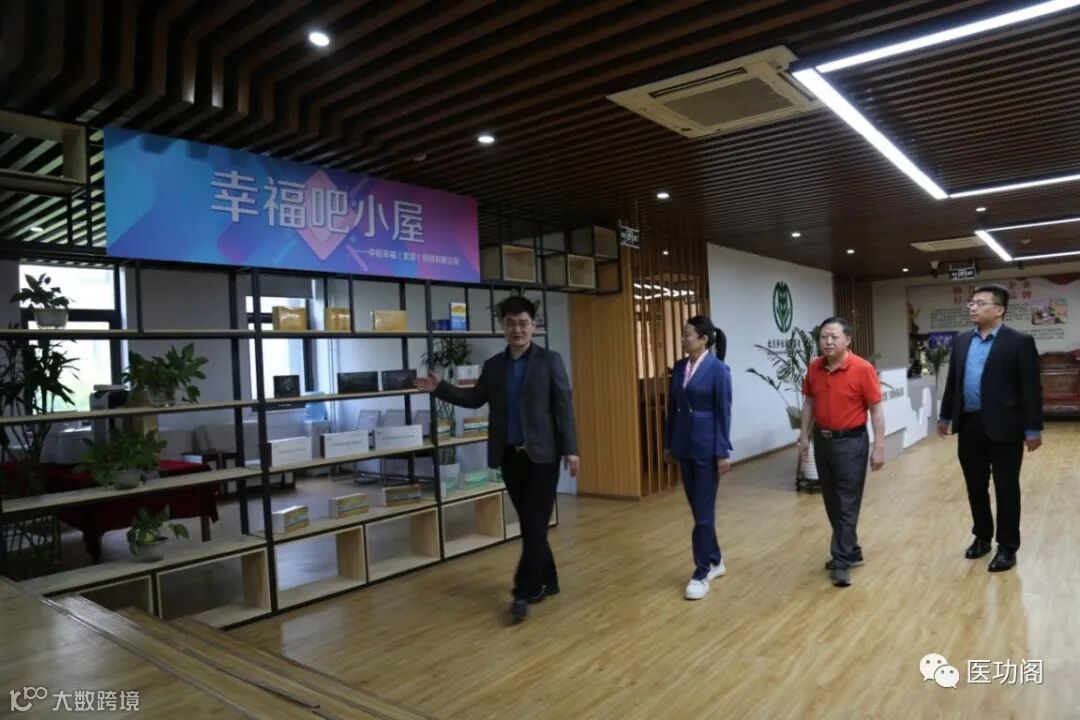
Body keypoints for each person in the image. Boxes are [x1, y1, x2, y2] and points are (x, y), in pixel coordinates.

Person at [414, 296, 579, 623]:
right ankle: (549, 580)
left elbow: (564, 409)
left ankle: (523, 591)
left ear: (533, 325)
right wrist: (441, 388)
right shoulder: (494, 366)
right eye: (510, 323)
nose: (517, 329)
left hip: (543, 456)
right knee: (532, 524)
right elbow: (475, 399)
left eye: (523, 323)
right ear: (502, 326)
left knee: (534, 524)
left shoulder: (550, 361)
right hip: (509, 456)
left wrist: (571, 449)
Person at [937, 284, 1042, 573]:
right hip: (969, 424)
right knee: (975, 485)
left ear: (999, 310)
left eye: (980, 303)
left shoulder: (1019, 342)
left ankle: (1007, 546)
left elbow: (1031, 388)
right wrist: (945, 415)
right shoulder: (961, 341)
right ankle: (982, 536)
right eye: (971, 303)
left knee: (1006, 487)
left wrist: (1033, 428)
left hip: (1006, 426)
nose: (973, 307)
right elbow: (953, 381)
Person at [798, 317, 886, 588]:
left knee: (847, 501)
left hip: (851, 443)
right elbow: (809, 403)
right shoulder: (814, 367)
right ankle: (851, 550)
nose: (828, 341)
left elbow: (876, 410)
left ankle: (840, 560)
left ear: (847, 340)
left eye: (834, 337)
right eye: (824, 336)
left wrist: (879, 446)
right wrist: (803, 436)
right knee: (832, 501)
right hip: (823, 441)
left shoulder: (862, 368)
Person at [663, 316, 733, 600]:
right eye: (683, 335)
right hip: (683, 444)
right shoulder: (680, 367)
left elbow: (724, 412)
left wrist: (722, 452)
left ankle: (701, 571)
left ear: (703, 339)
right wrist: (669, 444)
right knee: (698, 509)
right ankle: (715, 559)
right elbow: (672, 408)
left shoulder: (719, 370)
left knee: (703, 511)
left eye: (687, 335)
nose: (683, 339)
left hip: (707, 447)